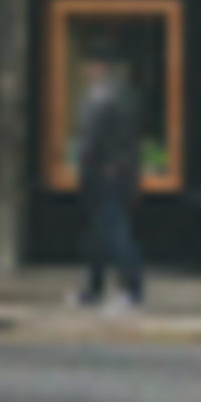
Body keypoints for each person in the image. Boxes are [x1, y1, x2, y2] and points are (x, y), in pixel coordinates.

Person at [71, 55, 148, 315]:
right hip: (99, 174)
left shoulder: (114, 99)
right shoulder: (101, 97)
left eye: (93, 66)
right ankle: (93, 290)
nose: (89, 71)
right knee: (96, 237)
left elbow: (117, 141)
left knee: (117, 235)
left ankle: (132, 291)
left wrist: (111, 168)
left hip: (110, 175)